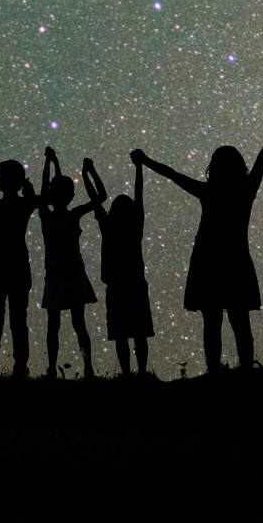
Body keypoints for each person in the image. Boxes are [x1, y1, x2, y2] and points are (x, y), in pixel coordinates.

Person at [134, 104, 263, 373]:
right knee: (237, 318)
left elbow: (173, 174)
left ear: (215, 167)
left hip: (209, 257)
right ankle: (242, 370)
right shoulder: (245, 188)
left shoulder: (208, 190)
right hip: (232, 256)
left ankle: (214, 370)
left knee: (214, 319)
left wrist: (146, 160)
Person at [83, 155, 156, 377]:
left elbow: (95, 199)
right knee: (139, 333)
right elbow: (139, 194)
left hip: (116, 286)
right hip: (134, 284)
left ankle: (125, 374)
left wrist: (87, 173)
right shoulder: (135, 227)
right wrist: (139, 168)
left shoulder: (108, 227)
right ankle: (142, 372)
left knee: (121, 334)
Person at [36, 147, 102, 379]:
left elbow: (100, 197)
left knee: (75, 324)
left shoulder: (63, 215)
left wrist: (87, 173)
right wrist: (51, 162)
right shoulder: (50, 213)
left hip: (70, 274)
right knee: (58, 325)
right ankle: (56, 368)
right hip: (59, 274)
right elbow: (46, 189)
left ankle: (87, 367)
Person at [0, 157, 40, 377]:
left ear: (8, 179)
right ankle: (18, 365)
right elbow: (42, 198)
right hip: (16, 268)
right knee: (17, 319)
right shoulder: (22, 204)